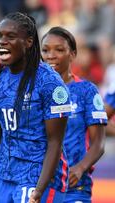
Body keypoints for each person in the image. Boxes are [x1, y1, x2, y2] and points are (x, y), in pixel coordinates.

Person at [0, 12, 71, 203]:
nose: (2, 42)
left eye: (10, 36)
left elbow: (55, 143)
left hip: (37, 178)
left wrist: (38, 191)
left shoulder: (49, 83)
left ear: (28, 42)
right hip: (5, 177)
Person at [41, 26, 107, 202]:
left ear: (73, 54)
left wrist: (80, 168)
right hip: (40, 186)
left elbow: (99, 143)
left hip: (74, 187)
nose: (51, 55)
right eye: (45, 50)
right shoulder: (35, 92)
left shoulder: (86, 91)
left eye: (59, 49)